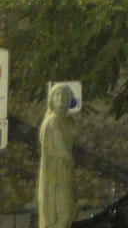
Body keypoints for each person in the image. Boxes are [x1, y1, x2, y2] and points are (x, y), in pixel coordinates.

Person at [38, 84, 76, 228]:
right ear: (52, 99)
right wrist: (71, 161)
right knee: (64, 215)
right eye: (57, 94)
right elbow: (62, 150)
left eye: (65, 95)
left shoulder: (63, 122)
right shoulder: (53, 122)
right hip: (56, 176)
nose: (61, 98)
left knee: (68, 214)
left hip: (63, 173)